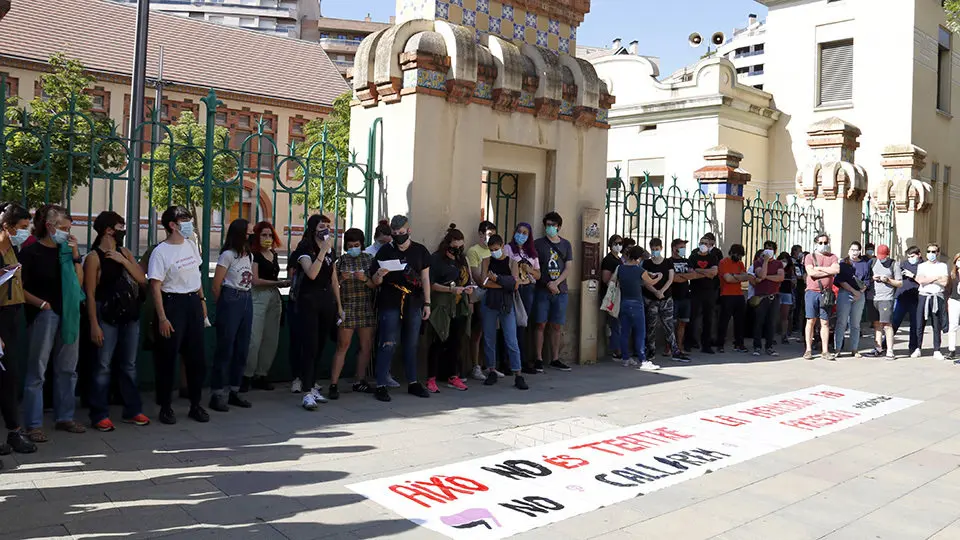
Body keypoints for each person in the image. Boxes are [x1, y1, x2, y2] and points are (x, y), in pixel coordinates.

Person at [20, 204, 86, 441]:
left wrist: (76, 254)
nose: (67, 233)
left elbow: (78, 283)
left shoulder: (66, 251)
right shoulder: (31, 252)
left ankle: (65, 417)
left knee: (68, 369)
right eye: (63, 228)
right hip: (43, 314)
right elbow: (19, 287)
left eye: (70, 228)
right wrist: (41, 304)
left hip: (69, 313)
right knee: (37, 370)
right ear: (49, 227)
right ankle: (34, 424)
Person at [83, 211, 149, 431]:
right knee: (103, 365)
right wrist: (94, 324)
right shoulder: (94, 257)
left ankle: (133, 410)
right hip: (106, 314)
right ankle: (99, 413)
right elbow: (90, 294)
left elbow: (141, 278)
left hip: (129, 313)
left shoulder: (124, 252)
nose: (123, 229)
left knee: (129, 364)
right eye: (120, 226)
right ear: (108, 229)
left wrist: (123, 260)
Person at [148, 206, 209, 424]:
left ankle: (195, 404)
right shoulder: (161, 252)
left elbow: (197, 275)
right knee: (167, 358)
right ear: (172, 225)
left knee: (196, 358)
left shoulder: (191, 245)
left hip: (192, 301)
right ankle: (165, 406)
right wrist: (163, 317)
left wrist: (202, 301)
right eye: (184, 219)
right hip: (172, 304)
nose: (189, 224)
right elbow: (156, 286)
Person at [369, 215, 432, 402]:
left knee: (411, 343)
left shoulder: (420, 251)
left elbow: (426, 278)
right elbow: (374, 281)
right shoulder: (385, 252)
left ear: (408, 231)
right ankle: (380, 384)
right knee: (387, 342)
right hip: (390, 300)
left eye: (402, 233)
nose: (398, 236)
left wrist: (427, 303)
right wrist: (379, 275)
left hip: (413, 301)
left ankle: (413, 382)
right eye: (395, 234)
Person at [0, 203, 37, 455]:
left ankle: (14, 432)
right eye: (22, 228)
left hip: (13, 315)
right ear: (7, 226)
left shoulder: (12, 249)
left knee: (10, 377)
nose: (26, 232)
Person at [291, 214, 338, 409]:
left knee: (320, 345)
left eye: (327, 225)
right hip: (309, 301)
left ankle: (313, 384)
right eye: (321, 226)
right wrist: (322, 252)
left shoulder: (330, 251)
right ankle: (306, 391)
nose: (325, 229)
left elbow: (333, 279)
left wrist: (340, 307)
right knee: (309, 346)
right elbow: (311, 273)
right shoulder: (305, 249)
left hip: (326, 301)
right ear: (313, 228)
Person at [209, 219, 254, 412]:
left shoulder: (249, 255)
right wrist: (224, 304)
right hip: (231, 297)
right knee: (225, 347)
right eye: (248, 229)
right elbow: (216, 284)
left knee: (242, 347)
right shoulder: (228, 255)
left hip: (246, 298)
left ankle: (235, 390)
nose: (252, 232)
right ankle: (217, 393)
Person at [424, 225, 472, 393]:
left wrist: (468, 289)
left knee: (456, 342)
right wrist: (450, 290)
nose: (458, 250)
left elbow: (466, 280)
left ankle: (453, 376)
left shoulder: (462, 260)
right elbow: (431, 284)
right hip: (442, 306)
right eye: (455, 246)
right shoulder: (436, 259)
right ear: (448, 244)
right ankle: (431, 378)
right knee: (438, 341)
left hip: (459, 305)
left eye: (461, 246)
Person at [331, 227, 377, 397]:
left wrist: (364, 278)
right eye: (350, 245)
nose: (353, 248)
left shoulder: (369, 259)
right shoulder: (340, 261)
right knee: (343, 345)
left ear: (362, 244)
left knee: (366, 346)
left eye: (356, 245)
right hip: (347, 306)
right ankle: (334, 384)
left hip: (365, 305)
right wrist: (342, 278)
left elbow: (375, 284)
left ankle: (360, 380)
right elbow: (333, 285)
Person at [242, 221, 287, 392]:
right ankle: (247, 375)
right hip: (258, 296)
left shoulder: (273, 254)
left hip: (274, 297)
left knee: (271, 338)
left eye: (270, 235)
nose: (267, 238)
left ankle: (262, 374)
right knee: (254, 339)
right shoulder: (254, 255)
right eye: (263, 235)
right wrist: (278, 283)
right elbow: (255, 280)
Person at [479, 234, 528, 390]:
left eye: (496, 249)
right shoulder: (486, 261)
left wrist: (497, 279)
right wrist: (504, 282)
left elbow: (514, 285)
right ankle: (491, 370)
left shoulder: (512, 262)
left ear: (502, 246)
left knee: (511, 339)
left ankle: (518, 374)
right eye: (491, 249)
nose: (494, 252)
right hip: (490, 302)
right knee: (488, 338)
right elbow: (484, 283)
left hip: (506, 304)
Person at [533, 212, 574, 372]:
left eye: (553, 225)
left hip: (560, 290)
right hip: (542, 290)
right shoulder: (538, 244)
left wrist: (556, 283)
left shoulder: (566, 244)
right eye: (548, 225)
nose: (550, 228)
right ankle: (538, 358)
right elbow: (534, 267)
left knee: (557, 325)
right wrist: (547, 283)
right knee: (540, 324)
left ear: (559, 227)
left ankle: (555, 358)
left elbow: (568, 266)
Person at [614, 245, 663, 370]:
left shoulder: (620, 268)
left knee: (625, 332)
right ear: (639, 258)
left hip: (624, 303)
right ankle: (643, 360)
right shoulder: (639, 271)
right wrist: (659, 276)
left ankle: (625, 358)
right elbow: (650, 282)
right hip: (636, 304)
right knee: (640, 333)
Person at [642, 238, 687, 362]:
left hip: (666, 298)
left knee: (669, 325)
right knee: (651, 326)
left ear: (661, 248)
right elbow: (645, 281)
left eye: (657, 249)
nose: (655, 251)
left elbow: (670, 278)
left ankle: (675, 350)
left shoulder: (667, 262)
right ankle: (650, 351)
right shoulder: (647, 264)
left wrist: (661, 292)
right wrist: (655, 292)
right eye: (653, 249)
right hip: (651, 299)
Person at [506, 222, 541, 374]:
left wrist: (530, 270)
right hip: (513, 289)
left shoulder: (532, 253)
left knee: (523, 325)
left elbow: (538, 275)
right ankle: (507, 362)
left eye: (525, 233)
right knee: (509, 325)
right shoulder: (508, 249)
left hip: (527, 290)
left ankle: (523, 361)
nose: (521, 235)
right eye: (519, 231)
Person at [466, 221, 497, 381]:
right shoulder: (474, 251)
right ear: (479, 234)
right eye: (485, 234)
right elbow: (478, 277)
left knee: (490, 331)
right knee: (477, 331)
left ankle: (490, 365)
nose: (488, 238)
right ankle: (475, 366)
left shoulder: (496, 251)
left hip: (494, 295)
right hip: (481, 295)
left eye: (491, 235)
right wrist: (496, 283)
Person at [803, 233, 840, 360]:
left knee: (825, 322)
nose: (823, 245)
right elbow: (811, 273)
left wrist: (819, 268)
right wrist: (827, 270)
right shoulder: (809, 257)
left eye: (826, 243)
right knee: (811, 321)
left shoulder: (833, 257)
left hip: (826, 293)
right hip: (812, 292)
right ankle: (808, 349)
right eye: (821, 243)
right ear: (816, 243)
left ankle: (825, 351)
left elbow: (836, 270)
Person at [913, 243, 948, 359]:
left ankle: (937, 350)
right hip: (924, 295)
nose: (931, 254)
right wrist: (936, 278)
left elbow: (944, 282)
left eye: (933, 252)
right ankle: (918, 348)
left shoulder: (942, 266)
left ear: (937, 253)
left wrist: (929, 279)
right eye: (929, 251)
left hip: (936, 296)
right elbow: (921, 281)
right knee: (920, 322)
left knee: (936, 323)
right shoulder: (921, 266)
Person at [686, 235, 719, 354]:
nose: (703, 245)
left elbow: (714, 273)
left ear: (710, 245)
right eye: (701, 242)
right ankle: (688, 343)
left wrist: (698, 270)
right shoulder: (693, 256)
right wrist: (707, 273)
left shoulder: (713, 257)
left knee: (708, 319)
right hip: (695, 291)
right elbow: (691, 273)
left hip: (709, 292)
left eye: (706, 243)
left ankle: (706, 345)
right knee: (692, 318)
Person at [888, 246, 922, 355]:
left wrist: (913, 276)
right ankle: (886, 344)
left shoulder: (923, 266)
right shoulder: (903, 264)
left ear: (919, 255)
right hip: (902, 297)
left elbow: (924, 280)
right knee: (894, 322)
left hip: (915, 298)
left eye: (912, 256)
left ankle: (913, 347)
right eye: (908, 257)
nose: (910, 259)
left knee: (915, 324)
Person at [870, 244, 902, 360]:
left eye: (883, 256)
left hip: (886, 298)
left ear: (887, 255)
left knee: (887, 325)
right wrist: (873, 278)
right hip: (873, 297)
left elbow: (899, 283)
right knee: (877, 324)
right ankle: (878, 349)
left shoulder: (894, 264)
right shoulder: (873, 262)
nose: (881, 258)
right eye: (879, 256)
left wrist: (888, 280)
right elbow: (867, 277)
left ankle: (890, 350)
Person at [716, 244, 750, 354]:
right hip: (726, 295)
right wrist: (738, 276)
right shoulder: (723, 262)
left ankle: (739, 344)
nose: (739, 258)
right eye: (738, 255)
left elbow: (746, 277)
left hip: (739, 294)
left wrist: (734, 276)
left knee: (740, 321)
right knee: (724, 321)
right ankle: (720, 344)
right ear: (732, 253)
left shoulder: (740, 263)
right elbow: (727, 279)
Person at [752, 241, 784, 357]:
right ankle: (757, 346)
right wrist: (765, 261)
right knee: (759, 322)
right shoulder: (757, 262)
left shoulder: (778, 263)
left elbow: (780, 277)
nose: (768, 250)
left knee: (771, 323)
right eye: (766, 248)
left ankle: (769, 346)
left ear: (774, 251)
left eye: (770, 248)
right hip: (761, 296)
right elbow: (760, 274)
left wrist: (766, 277)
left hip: (774, 296)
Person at [600, 234, 624, 361]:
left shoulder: (619, 259)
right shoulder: (608, 260)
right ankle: (616, 350)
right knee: (615, 323)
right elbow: (605, 279)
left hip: (619, 294)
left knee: (619, 323)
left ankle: (619, 347)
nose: (618, 245)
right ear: (610, 245)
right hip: (612, 296)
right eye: (616, 243)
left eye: (620, 243)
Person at [669, 239, 694, 356]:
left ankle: (679, 347)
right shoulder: (668, 262)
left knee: (682, 323)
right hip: (672, 296)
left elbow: (693, 274)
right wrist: (684, 276)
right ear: (674, 248)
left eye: (684, 247)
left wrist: (680, 276)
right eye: (681, 247)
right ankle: (668, 348)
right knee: (670, 324)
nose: (683, 249)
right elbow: (672, 278)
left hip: (685, 296)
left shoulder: (687, 261)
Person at [790, 244, 807, 335]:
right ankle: (793, 325)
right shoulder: (792, 261)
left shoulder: (801, 263)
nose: (800, 253)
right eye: (799, 251)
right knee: (794, 306)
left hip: (801, 286)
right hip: (795, 286)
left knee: (800, 306)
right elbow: (796, 274)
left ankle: (797, 324)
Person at [948, 252, 960, 362]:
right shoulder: (952, 275)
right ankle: (952, 349)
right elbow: (948, 289)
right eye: (958, 260)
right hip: (954, 300)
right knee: (953, 325)